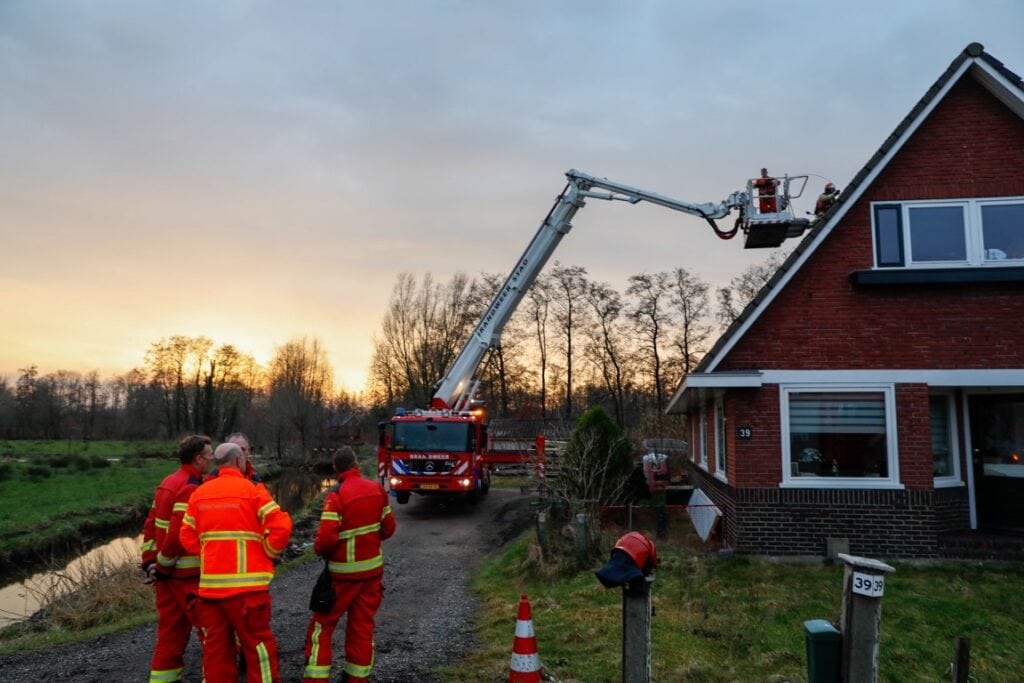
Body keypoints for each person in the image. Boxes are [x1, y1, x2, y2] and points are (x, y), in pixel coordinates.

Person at [181, 442, 292, 683]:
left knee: (216, 652)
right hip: (248, 592)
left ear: (218, 464)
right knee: (259, 650)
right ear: (240, 461)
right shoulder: (253, 490)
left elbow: (186, 536)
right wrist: (268, 552)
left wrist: (210, 554)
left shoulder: (199, 494)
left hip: (211, 593)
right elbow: (281, 527)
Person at [302, 447, 397, 683]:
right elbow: (389, 528)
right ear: (356, 464)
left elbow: (325, 540)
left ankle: (316, 679)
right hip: (372, 575)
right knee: (362, 628)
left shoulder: (336, 495)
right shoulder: (376, 489)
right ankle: (356, 678)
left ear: (335, 469)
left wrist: (318, 550)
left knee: (322, 628)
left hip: (341, 578)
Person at [140, 434, 212, 683]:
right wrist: (163, 566)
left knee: (170, 633)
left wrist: (149, 562)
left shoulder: (167, 483)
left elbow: (150, 526)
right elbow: (178, 536)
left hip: (166, 579)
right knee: (211, 634)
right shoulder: (190, 488)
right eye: (209, 455)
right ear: (198, 458)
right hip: (186, 578)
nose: (212, 458)